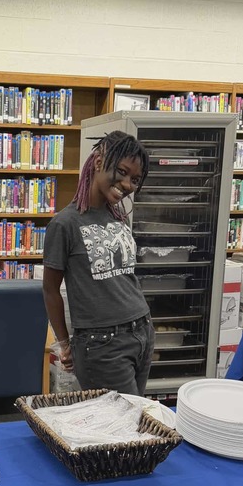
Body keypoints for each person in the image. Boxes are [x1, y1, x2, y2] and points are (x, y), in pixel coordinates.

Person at [42, 130, 154, 396]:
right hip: (101, 344)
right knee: (125, 425)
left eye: (135, 179)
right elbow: (49, 289)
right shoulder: (64, 224)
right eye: (123, 172)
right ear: (99, 162)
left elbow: (124, 278)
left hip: (142, 332)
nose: (127, 184)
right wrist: (64, 343)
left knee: (135, 423)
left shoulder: (118, 218)